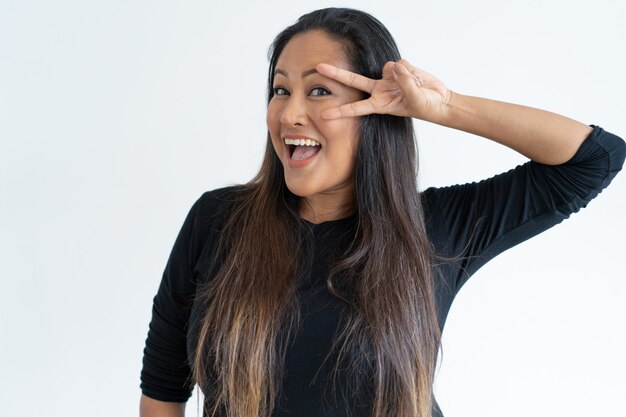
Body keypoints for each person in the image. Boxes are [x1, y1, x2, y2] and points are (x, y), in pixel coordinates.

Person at [139, 7, 625, 417]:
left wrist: (445, 106)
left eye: (319, 91)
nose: (288, 115)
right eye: (281, 90)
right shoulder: (218, 220)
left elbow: (594, 159)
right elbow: (163, 385)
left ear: (376, 109)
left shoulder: (431, 228)